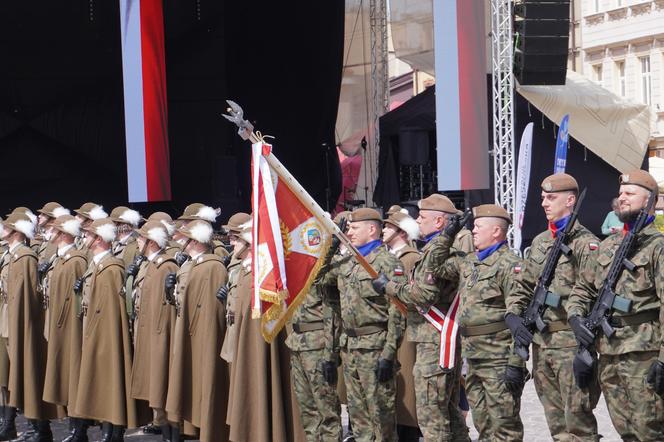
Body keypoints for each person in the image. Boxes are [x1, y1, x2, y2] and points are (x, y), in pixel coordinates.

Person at [414, 204, 526, 440]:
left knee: (505, 428)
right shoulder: (468, 262)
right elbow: (432, 265)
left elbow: (519, 317)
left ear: (496, 231)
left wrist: (517, 363)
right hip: (473, 358)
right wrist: (447, 235)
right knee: (483, 426)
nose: (473, 231)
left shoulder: (510, 265)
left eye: (478, 226)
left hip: (498, 359)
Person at [568, 169, 664, 441]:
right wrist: (576, 318)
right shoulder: (607, 246)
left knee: (651, 432)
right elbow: (583, 289)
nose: (622, 198)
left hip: (643, 354)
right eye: (621, 193)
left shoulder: (658, 246)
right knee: (626, 431)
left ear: (651, 201)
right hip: (608, 353)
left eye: (630, 193)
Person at [508, 173, 601, 441]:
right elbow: (524, 285)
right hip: (542, 343)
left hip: (571, 345)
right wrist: (513, 313)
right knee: (557, 427)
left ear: (571, 200)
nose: (544, 203)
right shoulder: (540, 242)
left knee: (579, 425)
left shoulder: (587, 244)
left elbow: (593, 295)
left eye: (551, 198)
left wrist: (587, 347)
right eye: (542, 198)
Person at [373, 194, 471, 442]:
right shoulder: (437, 249)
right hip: (438, 341)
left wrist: (390, 287)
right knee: (449, 413)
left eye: (423, 217)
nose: (417, 221)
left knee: (432, 418)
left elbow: (422, 294)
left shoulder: (443, 251)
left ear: (439, 222)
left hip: (435, 343)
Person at [318, 208, 405, 442]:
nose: (350, 232)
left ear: (372, 229)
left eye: (355, 228)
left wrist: (389, 354)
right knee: (357, 418)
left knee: (381, 416)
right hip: (350, 346)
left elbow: (398, 311)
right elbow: (319, 279)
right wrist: (332, 248)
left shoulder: (387, 262)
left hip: (375, 347)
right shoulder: (348, 260)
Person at [225, 221, 306, 442]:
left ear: (250, 244)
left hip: (258, 339)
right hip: (243, 340)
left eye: (238, 240)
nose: (233, 244)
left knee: (263, 380)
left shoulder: (261, 275)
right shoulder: (244, 270)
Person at [73, 218, 143, 441]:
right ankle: (107, 429)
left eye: (88, 234)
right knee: (101, 382)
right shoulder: (96, 265)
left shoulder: (111, 268)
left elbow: (111, 313)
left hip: (105, 336)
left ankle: (112, 432)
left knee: (110, 380)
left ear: (99, 238)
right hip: (94, 332)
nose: (84, 237)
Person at [165, 220, 229, 441]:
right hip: (188, 332)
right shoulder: (190, 265)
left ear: (194, 241)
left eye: (186, 238)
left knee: (206, 385)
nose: (181, 242)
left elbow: (213, 313)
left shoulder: (213, 267)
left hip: (203, 337)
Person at [1, 212, 61, 440]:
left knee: (28, 376)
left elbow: (27, 298)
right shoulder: (13, 256)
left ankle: (41, 429)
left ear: (18, 232)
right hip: (7, 323)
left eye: (9, 226)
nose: (4, 228)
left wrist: (23, 327)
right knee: (12, 378)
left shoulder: (25, 257)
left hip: (19, 325)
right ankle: (23, 425)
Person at [128, 221, 179, 439]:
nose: (137, 240)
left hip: (160, 336)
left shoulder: (165, 265)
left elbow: (165, 310)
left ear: (151, 241)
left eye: (141, 238)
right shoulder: (151, 264)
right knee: (156, 393)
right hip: (149, 333)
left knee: (164, 389)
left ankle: (172, 436)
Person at [41, 215, 88, 442]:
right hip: (59, 325)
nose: (50, 233)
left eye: (54, 230)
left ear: (64, 234)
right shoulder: (59, 259)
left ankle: (78, 430)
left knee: (74, 376)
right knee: (65, 376)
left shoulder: (76, 260)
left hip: (72, 326)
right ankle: (73, 427)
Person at [381, 208, 421, 441]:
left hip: (405, 329)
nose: (384, 229)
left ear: (402, 232)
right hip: (391, 328)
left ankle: (409, 431)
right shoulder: (392, 257)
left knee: (406, 391)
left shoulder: (410, 258)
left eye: (389, 226)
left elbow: (407, 296)